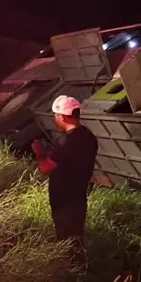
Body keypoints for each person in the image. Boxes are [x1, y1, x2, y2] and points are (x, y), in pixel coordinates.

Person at [32, 95, 98, 268]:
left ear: (61, 116)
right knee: (77, 239)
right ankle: (81, 273)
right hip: (79, 196)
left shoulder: (66, 141)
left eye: (55, 115)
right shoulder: (89, 137)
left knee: (67, 243)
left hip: (63, 200)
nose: (55, 119)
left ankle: (73, 277)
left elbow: (45, 168)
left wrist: (39, 152)